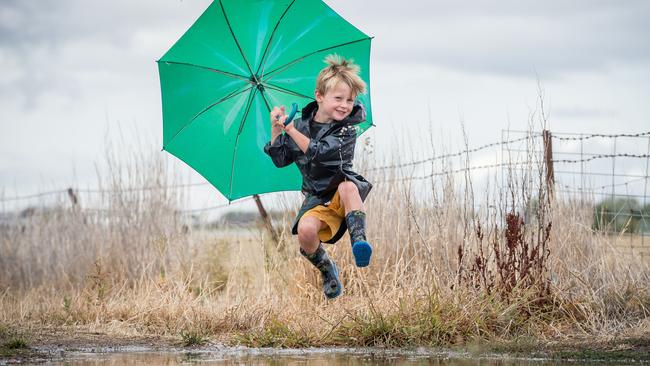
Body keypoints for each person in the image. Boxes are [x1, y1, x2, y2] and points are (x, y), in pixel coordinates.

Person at [263, 54, 373, 300]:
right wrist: (276, 128)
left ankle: (359, 242)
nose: (345, 105)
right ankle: (328, 270)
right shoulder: (300, 125)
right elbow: (281, 159)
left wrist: (290, 130)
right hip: (316, 198)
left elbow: (320, 153)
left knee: (347, 187)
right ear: (319, 96)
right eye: (339, 98)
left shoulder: (347, 128)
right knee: (305, 231)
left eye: (350, 100)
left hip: (343, 194)